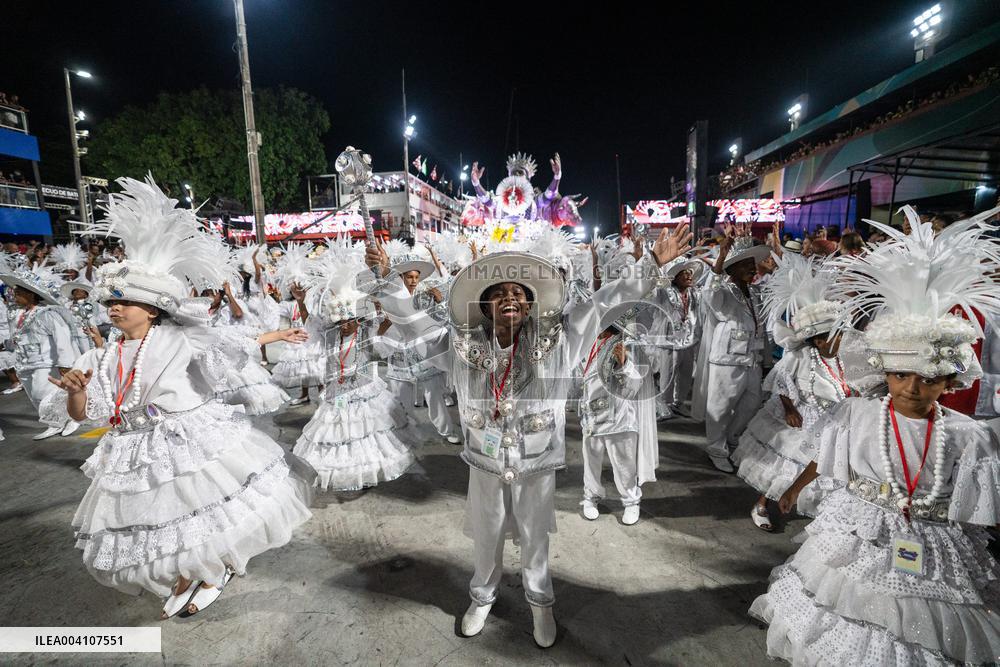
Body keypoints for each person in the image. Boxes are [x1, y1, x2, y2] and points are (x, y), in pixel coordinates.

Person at [362, 224, 692, 648]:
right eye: (500, 294)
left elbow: (603, 305)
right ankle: (482, 597)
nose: (511, 298)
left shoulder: (560, 340)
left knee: (536, 536)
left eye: (519, 293)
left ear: (532, 302)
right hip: (484, 462)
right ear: (485, 306)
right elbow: (413, 326)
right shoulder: (459, 346)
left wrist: (651, 266)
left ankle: (540, 603)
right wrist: (390, 280)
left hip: (536, 464)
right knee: (487, 531)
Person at [50, 176, 313, 620]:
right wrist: (76, 393)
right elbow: (85, 412)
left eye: (124, 301)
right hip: (133, 448)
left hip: (187, 439)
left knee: (201, 516)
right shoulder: (100, 353)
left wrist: (279, 333)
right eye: (110, 302)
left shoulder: (179, 337)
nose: (113, 309)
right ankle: (189, 574)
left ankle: (211, 573)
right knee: (162, 524)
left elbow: (235, 342)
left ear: (152, 308)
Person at [751, 205, 1000, 665]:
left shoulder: (971, 437)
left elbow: (980, 501)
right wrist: (791, 490)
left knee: (918, 629)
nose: (912, 387)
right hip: (861, 532)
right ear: (884, 369)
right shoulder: (858, 413)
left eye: (928, 378)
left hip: (931, 538)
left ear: (951, 380)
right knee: (848, 609)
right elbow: (824, 456)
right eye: (901, 374)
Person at [731, 251, 848, 531]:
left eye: (832, 337)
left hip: (834, 421)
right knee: (783, 466)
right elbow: (781, 382)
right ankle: (761, 503)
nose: (826, 344)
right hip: (803, 415)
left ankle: (820, 513)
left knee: (826, 470)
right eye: (820, 339)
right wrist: (790, 409)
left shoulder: (849, 357)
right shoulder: (800, 356)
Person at [292, 255, 415, 491]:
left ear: (358, 318)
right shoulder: (331, 334)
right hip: (337, 391)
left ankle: (366, 470)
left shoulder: (366, 333)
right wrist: (301, 302)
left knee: (367, 435)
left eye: (349, 320)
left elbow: (382, 344)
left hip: (364, 391)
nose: (344, 325)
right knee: (336, 434)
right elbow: (311, 326)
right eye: (340, 321)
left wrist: (386, 320)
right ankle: (345, 470)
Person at [691, 223, 771, 472]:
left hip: (752, 360)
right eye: (746, 265)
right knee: (721, 406)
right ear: (732, 268)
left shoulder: (755, 292)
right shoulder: (723, 290)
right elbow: (709, 294)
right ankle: (716, 448)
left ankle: (732, 439)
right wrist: (721, 258)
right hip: (727, 359)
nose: (752, 269)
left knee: (752, 403)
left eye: (752, 264)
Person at [578, 302, 657, 526]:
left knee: (624, 462)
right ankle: (590, 497)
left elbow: (634, 384)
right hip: (591, 414)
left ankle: (631, 502)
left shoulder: (627, 344)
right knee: (591, 459)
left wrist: (622, 363)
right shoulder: (588, 343)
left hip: (619, 416)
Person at [375, 240, 460, 443]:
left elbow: (441, 322)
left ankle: (447, 431)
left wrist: (439, 301)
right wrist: (386, 323)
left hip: (424, 355)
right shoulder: (388, 300)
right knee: (399, 399)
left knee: (434, 396)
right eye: (409, 277)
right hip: (399, 356)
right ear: (401, 278)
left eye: (416, 277)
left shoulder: (427, 296)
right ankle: (402, 435)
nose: (413, 281)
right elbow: (377, 329)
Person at [0, 265, 82, 439]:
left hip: (46, 362)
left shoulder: (48, 313)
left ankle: (71, 419)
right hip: (24, 362)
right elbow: (17, 337)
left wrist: (65, 363)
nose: (14, 296)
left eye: (18, 293)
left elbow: (62, 338)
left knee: (43, 393)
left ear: (29, 294)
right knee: (35, 397)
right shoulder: (19, 313)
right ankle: (54, 422)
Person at [651, 259, 703, 419]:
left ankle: (678, 403)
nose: (689, 276)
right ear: (675, 277)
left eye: (690, 273)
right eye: (685, 273)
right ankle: (663, 405)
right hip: (669, 339)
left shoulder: (694, 293)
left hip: (688, 338)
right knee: (668, 373)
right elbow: (652, 288)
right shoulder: (665, 292)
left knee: (686, 372)